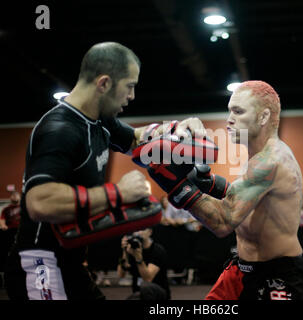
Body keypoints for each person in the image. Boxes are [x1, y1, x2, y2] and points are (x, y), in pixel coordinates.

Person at [4, 42, 206, 300]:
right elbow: (38, 202)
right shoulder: (59, 130)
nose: (132, 96)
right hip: (39, 265)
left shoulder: (100, 120)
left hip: (70, 263)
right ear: (104, 84)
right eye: (129, 86)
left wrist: (176, 129)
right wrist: (119, 193)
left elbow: (135, 139)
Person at [146, 81, 303, 300]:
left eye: (238, 111)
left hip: (277, 274)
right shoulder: (256, 158)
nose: (229, 118)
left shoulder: (270, 161)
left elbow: (223, 222)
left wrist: (177, 186)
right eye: (229, 110)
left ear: (263, 117)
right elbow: (243, 197)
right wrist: (205, 181)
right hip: (241, 270)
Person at [121, 228, 170, 300]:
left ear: (150, 232)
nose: (139, 232)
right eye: (136, 230)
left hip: (158, 293)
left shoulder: (157, 250)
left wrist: (138, 258)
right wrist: (124, 252)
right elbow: (121, 274)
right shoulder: (132, 249)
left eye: (142, 229)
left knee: (146, 287)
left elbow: (148, 279)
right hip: (139, 293)